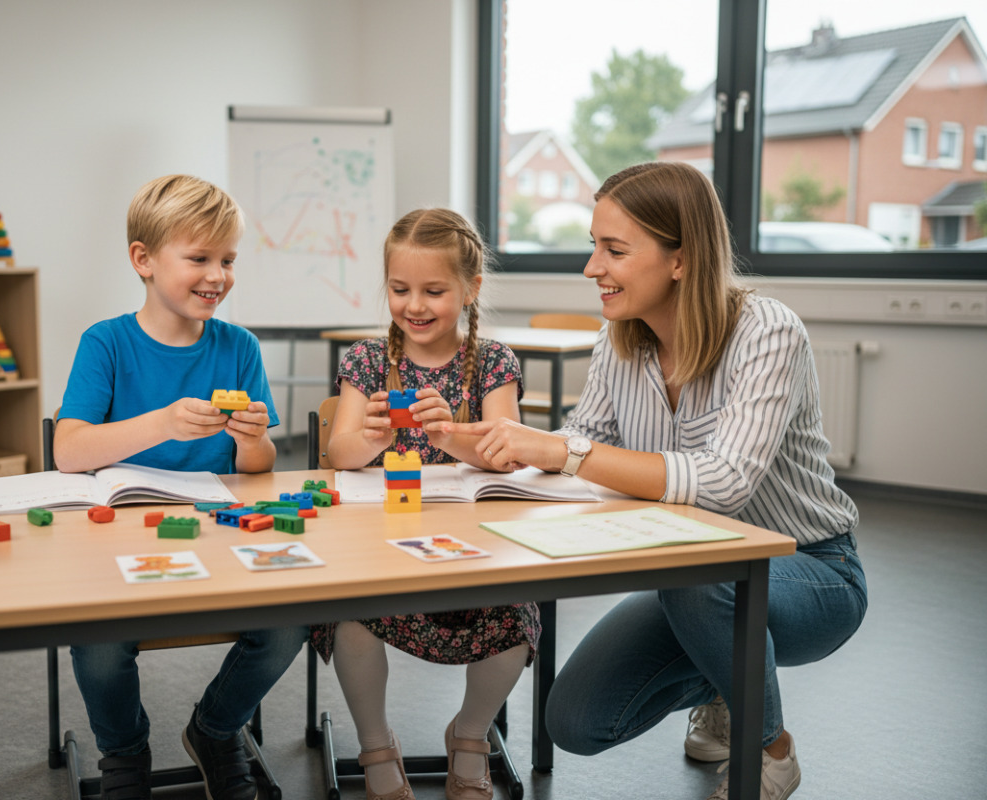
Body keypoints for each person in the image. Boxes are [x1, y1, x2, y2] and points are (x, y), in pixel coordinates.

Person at [445, 162, 868, 800]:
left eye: (614, 250)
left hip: (811, 571)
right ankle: (727, 680)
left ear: (682, 259)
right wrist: (485, 449)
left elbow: (723, 481)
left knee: (699, 573)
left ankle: (770, 748)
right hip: (692, 576)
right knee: (576, 722)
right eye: (594, 245)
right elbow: (582, 456)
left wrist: (564, 449)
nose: (591, 267)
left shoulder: (767, 331)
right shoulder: (619, 342)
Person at [55, 174, 308, 800]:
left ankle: (215, 730)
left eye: (228, 260)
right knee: (99, 641)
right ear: (143, 259)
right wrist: (161, 423)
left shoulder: (239, 346)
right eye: (199, 258)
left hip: (220, 533)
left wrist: (252, 439)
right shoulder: (106, 343)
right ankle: (124, 755)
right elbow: (68, 450)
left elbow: (258, 468)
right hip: (117, 542)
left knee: (293, 619)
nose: (217, 275)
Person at [310, 208, 539, 800]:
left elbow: (507, 454)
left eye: (434, 291)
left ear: (470, 289)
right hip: (381, 546)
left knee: (517, 621)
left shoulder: (492, 362)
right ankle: (375, 744)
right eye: (399, 289)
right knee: (351, 618)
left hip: (472, 550)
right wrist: (373, 438)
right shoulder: (367, 361)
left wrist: (449, 435)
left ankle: (471, 734)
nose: (414, 305)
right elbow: (339, 453)